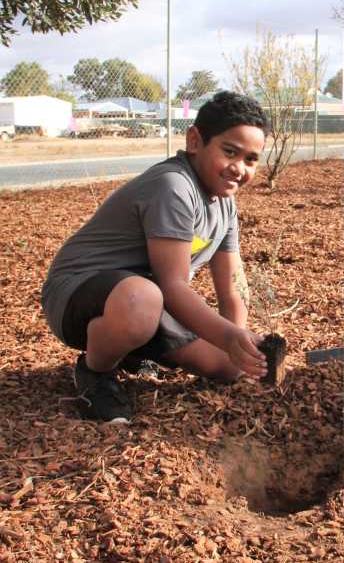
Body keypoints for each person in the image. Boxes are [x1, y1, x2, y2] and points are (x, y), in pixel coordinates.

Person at [41, 91, 270, 423]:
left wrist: (240, 345)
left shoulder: (225, 205)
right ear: (195, 140)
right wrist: (228, 337)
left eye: (251, 159)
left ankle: (134, 355)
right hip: (79, 293)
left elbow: (233, 286)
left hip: (146, 302)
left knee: (227, 368)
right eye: (230, 152)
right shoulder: (173, 186)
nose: (239, 168)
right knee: (142, 301)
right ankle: (95, 373)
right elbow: (173, 286)